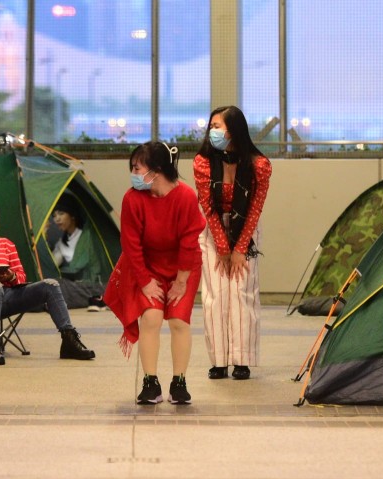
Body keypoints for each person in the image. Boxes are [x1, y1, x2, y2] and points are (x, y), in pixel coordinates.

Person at [0, 190, 96, 366]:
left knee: (51, 285)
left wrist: (11, 276)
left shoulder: (6, 245)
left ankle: (69, 340)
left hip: (8, 296)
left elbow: (21, 277)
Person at [103, 141, 205, 405]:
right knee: (150, 318)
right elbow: (131, 244)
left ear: (157, 170)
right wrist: (145, 281)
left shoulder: (186, 196)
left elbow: (189, 242)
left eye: (138, 167)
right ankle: (150, 382)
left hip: (183, 267)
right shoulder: (132, 198)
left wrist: (181, 282)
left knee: (179, 322)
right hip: (146, 267)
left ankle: (179, 381)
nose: (134, 173)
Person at [193, 106, 272, 380]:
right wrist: (223, 249)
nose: (213, 131)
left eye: (218, 126)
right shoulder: (202, 162)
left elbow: (255, 209)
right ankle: (218, 361)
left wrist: (239, 249)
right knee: (215, 296)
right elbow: (208, 207)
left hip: (246, 231)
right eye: (211, 126)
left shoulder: (259, 165)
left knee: (242, 293)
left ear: (234, 130)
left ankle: (242, 360)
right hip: (213, 230)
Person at [48, 194, 108, 311]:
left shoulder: (88, 236)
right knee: (54, 284)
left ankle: (100, 297)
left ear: (72, 215)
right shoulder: (62, 243)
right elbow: (51, 266)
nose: (57, 219)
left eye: (61, 214)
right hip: (76, 286)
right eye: (54, 216)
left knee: (61, 288)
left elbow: (93, 267)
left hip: (94, 284)